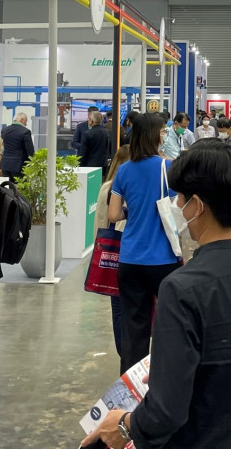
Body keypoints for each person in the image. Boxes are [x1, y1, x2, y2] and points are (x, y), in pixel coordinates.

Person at [82, 140, 231, 449]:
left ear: (196, 205)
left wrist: (123, 425)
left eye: (180, 198)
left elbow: (165, 413)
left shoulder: (181, 288)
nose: (177, 206)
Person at [107, 113, 182, 371]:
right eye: (162, 131)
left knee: (133, 327)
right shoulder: (168, 167)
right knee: (170, 323)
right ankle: (164, 378)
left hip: (130, 259)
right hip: (164, 259)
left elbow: (113, 214)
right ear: (153, 135)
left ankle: (131, 384)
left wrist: (131, 211)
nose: (164, 135)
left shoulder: (124, 170)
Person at [96, 145, 132, 356]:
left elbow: (100, 223)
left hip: (111, 252)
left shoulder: (106, 187)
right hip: (128, 251)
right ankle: (130, 355)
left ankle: (124, 355)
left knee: (118, 308)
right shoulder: (129, 186)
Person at [0, 113, 35, 180]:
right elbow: (30, 151)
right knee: (20, 186)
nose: (26, 124)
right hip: (19, 166)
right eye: (26, 121)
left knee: (8, 185)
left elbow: (4, 144)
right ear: (22, 120)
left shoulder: (4, 130)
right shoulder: (25, 132)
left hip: (5, 165)